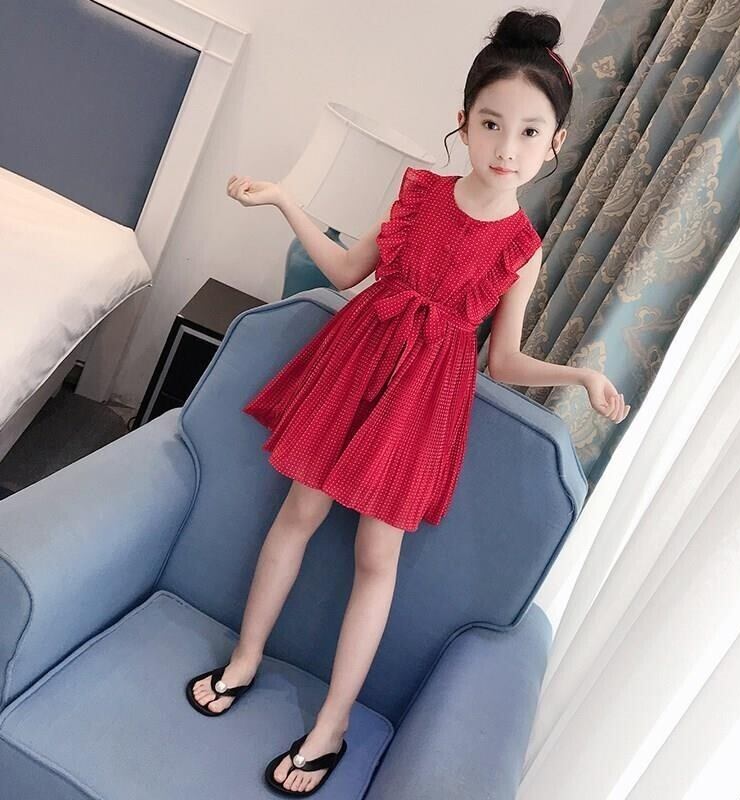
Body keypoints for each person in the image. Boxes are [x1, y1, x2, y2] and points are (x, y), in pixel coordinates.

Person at [186, 8, 630, 796]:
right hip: (353, 365)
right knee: (297, 511)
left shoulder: (521, 250)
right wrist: (286, 200)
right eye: (491, 124)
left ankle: (331, 727)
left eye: (529, 132)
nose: (507, 147)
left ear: (555, 144)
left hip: (423, 402)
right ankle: (246, 659)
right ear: (463, 121)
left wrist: (581, 377)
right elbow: (344, 271)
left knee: (376, 556)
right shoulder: (420, 192)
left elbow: (502, 361)